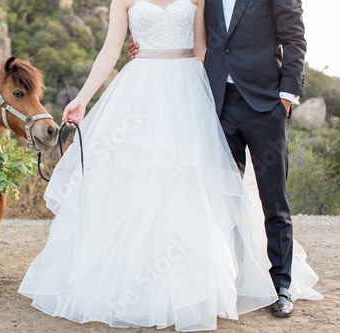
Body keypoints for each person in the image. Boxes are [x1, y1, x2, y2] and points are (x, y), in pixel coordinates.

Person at [19, 0, 314, 331]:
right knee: (151, 188)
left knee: (229, 192)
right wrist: (83, 98)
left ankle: (265, 283)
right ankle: (154, 282)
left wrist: (282, 95)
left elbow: (205, 47)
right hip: (148, 93)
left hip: (195, 92)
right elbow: (109, 51)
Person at [127, 0, 321, 318]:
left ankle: (282, 286)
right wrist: (144, 49)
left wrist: (286, 97)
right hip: (218, 104)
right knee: (223, 198)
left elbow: (294, 37)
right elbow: (192, 38)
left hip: (266, 105)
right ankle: (234, 281)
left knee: (274, 200)